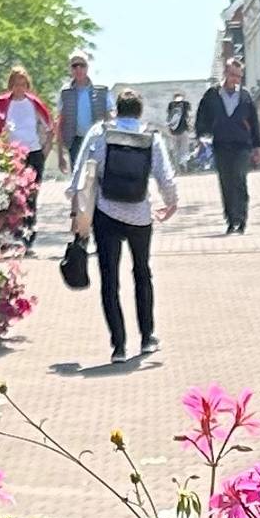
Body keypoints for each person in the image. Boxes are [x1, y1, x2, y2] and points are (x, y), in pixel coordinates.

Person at [69, 89, 179, 364]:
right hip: (140, 214)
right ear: (139, 112)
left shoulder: (99, 132)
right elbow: (164, 174)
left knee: (110, 279)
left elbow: (81, 172)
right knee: (142, 273)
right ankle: (147, 338)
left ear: (116, 110)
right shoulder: (151, 137)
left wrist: (76, 208)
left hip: (107, 213)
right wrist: (171, 202)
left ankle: (118, 346)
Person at [0, 66, 55, 249]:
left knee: (31, 196)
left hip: (33, 152)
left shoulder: (34, 103)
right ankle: (11, 233)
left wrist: (44, 150)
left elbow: (50, 127)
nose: (19, 87)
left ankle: (28, 235)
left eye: (23, 84)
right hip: (12, 155)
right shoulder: (2, 103)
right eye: (16, 84)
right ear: (11, 85)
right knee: (12, 195)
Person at [193, 57, 260, 235]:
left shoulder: (245, 96)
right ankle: (230, 220)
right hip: (221, 145)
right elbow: (201, 118)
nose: (236, 79)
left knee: (239, 178)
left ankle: (241, 219)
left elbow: (254, 122)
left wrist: (257, 146)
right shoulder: (212, 95)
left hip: (242, 146)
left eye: (239, 76)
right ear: (225, 73)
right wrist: (201, 136)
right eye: (233, 75)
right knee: (226, 182)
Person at [58, 52, 115, 169]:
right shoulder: (65, 93)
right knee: (78, 179)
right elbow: (60, 122)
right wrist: (60, 154)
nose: (78, 69)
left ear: (87, 67)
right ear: (70, 69)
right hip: (75, 142)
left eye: (82, 65)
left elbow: (111, 115)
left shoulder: (102, 91)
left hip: (97, 140)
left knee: (98, 176)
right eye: (74, 66)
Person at [164, 91, 193, 164]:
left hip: (173, 131)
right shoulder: (186, 104)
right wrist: (190, 126)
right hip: (183, 130)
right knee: (184, 150)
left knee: (176, 150)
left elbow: (169, 117)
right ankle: (184, 166)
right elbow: (189, 116)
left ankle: (177, 167)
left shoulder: (171, 105)